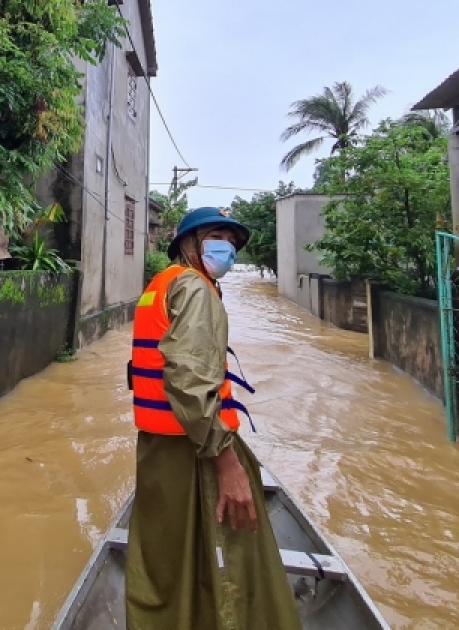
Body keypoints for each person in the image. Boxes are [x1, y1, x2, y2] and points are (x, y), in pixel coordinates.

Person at [126, 207, 301, 630]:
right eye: (215, 236)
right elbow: (188, 381)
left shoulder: (162, 284)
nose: (227, 247)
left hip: (158, 445)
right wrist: (227, 461)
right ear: (189, 244)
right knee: (235, 549)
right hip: (195, 446)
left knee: (164, 556)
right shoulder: (196, 289)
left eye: (232, 240)